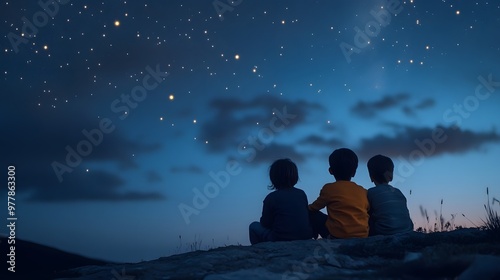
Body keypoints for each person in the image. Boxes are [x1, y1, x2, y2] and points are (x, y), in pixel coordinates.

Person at [309, 148, 369, 239]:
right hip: (362, 235)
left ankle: (311, 237)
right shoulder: (363, 191)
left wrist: (304, 209)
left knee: (314, 215)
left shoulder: (329, 189)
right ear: (354, 173)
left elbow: (314, 208)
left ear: (330, 171)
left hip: (336, 236)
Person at [249, 158, 313, 244]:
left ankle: (259, 250)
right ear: (295, 176)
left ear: (273, 178)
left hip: (280, 238)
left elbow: (265, 223)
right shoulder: (301, 194)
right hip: (304, 237)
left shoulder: (271, 198)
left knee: (253, 226)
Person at [366, 154, 414, 236]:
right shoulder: (398, 192)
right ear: (390, 176)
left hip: (383, 233)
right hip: (407, 231)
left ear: (371, 176)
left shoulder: (370, 193)